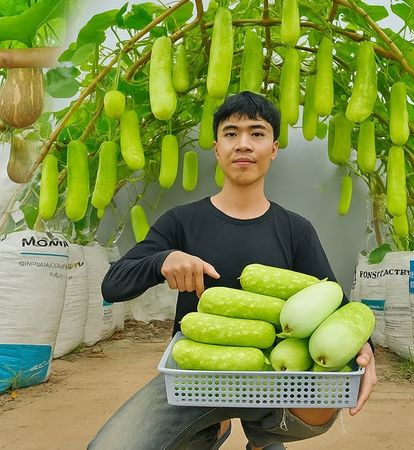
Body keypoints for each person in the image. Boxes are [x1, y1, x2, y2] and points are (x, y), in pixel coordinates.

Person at [88, 91, 377, 450]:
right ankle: (216, 423)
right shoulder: (182, 221)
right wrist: (162, 261)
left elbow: (336, 304)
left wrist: (364, 348)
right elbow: (112, 285)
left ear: (273, 148)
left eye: (257, 133)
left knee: (321, 400)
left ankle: (264, 437)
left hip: (276, 375)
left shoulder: (295, 229)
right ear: (216, 147)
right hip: (195, 377)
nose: (243, 144)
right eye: (231, 133)